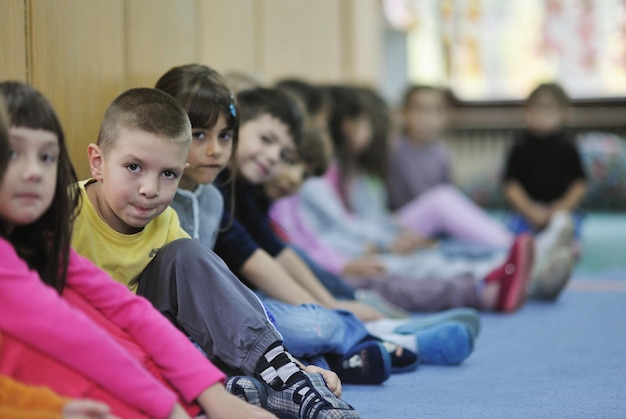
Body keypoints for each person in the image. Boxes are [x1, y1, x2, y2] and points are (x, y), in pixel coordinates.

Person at [68, 84, 359, 418]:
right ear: (97, 162)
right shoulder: (64, 214)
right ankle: (225, 389)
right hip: (95, 348)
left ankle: (284, 380)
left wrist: (290, 366)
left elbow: (216, 300)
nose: (150, 189)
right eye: (134, 167)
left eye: (168, 174)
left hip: (151, 338)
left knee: (189, 254)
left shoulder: (166, 222)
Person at [0, 81, 277, 419]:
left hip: (131, 359)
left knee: (244, 315)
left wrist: (210, 397)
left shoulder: (40, 244)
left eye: (46, 157)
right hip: (103, 369)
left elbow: (130, 311)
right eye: (13, 153)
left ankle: (271, 373)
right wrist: (172, 406)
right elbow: (74, 338)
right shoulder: (59, 222)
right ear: (97, 163)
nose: (33, 172)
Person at [155, 63, 400, 385]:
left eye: (225, 136)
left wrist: (326, 306)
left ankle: (330, 356)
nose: (215, 149)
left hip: (226, 318)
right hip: (183, 327)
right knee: (312, 326)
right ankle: (351, 343)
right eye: (200, 135)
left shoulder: (213, 196)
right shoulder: (155, 193)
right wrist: (330, 309)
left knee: (313, 323)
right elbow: (252, 263)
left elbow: (272, 252)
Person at [502, 82, 585, 299]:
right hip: (528, 211)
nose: (541, 115)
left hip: (559, 209)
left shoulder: (568, 147)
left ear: (564, 114)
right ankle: (532, 249)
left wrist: (559, 208)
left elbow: (579, 184)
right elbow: (511, 185)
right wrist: (529, 210)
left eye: (548, 109)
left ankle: (564, 247)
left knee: (568, 223)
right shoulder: (519, 147)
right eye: (535, 109)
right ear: (525, 113)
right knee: (511, 234)